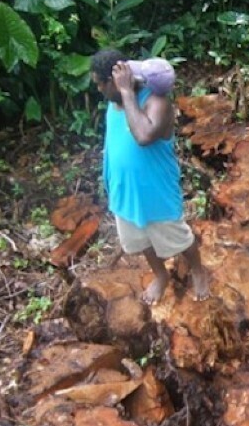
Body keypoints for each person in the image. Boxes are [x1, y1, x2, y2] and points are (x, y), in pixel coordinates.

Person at [90, 49, 209, 305]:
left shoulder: (156, 102)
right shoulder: (115, 104)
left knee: (179, 239)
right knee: (140, 240)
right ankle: (160, 275)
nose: (99, 89)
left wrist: (127, 92)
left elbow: (143, 136)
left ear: (115, 80)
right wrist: (110, 180)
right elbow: (113, 145)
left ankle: (198, 270)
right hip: (125, 191)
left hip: (156, 192)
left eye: (101, 83)